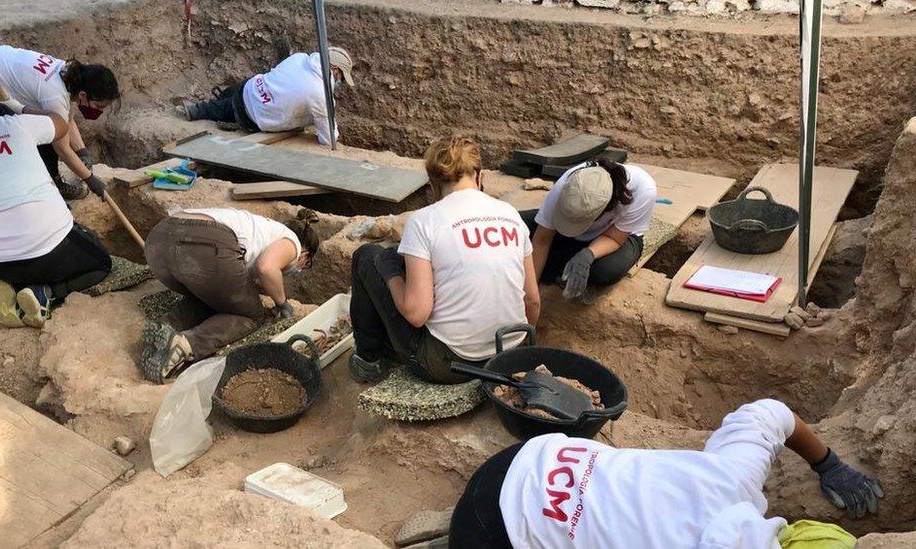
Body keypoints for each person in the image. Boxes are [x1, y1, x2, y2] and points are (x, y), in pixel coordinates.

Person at [449, 398, 883, 549]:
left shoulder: (733, 479)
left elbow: (771, 414)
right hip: (492, 528)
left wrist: (828, 464)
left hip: (536, 453)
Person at [348, 135, 541, 385]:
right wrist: (522, 350)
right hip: (509, 353)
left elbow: (417, 314)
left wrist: (390, 275)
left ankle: (368, 362)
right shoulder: (510, 214)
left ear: (433, 184)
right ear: (480, 176)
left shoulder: (424, 220)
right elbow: (533, 300)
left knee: (368, 256)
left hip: (451, 365)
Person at [0, 86, 113, 328]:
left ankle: (16, 285)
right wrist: (19, 107)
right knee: (102, 263)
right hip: (47, 249)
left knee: (28, 254)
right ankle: (45, 292)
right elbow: (60, 124)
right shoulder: (14, 124)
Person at [140, 207, 320, 383]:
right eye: (305, 264)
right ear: (305, 255)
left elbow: (242, 282)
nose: (300, 267)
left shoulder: (263, 230)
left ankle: (166, 327)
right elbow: (266, 268)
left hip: (159, 241)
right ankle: (185, 344)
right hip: (202, 242)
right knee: (252, 315)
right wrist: (283, 303)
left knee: (217, 299)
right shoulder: (292, 243)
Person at [0, 45, 121, 200]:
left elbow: (67, 118)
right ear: (83, 95)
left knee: (43, 128)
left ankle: (48, 181)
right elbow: (62, 148)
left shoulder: (69, 75)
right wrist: (90, 179)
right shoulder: (54, 93)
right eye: (98, 105)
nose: (99, 110)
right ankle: (47, 185)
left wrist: (82, 151)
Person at [521, 159, 657, 301]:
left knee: (605, 271)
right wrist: (531, 293)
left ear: (606, 209)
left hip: (615, 237)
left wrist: (588, 255)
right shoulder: (568, 184)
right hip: (568, 235)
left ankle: (552, 264)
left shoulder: (643, 190)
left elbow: (615, 238)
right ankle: (560, 267)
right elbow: (542, 239)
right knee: (513, 224)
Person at [178, 47, 355, 146]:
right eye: (341, 78)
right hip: (253, 118)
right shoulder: (322, 95)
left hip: (247, 89)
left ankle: (204, 107)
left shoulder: (299, 58)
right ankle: (206, 111)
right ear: (334, 69)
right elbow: (329, 138)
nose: (340, 83)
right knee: (232, 110)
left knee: (233, 98)